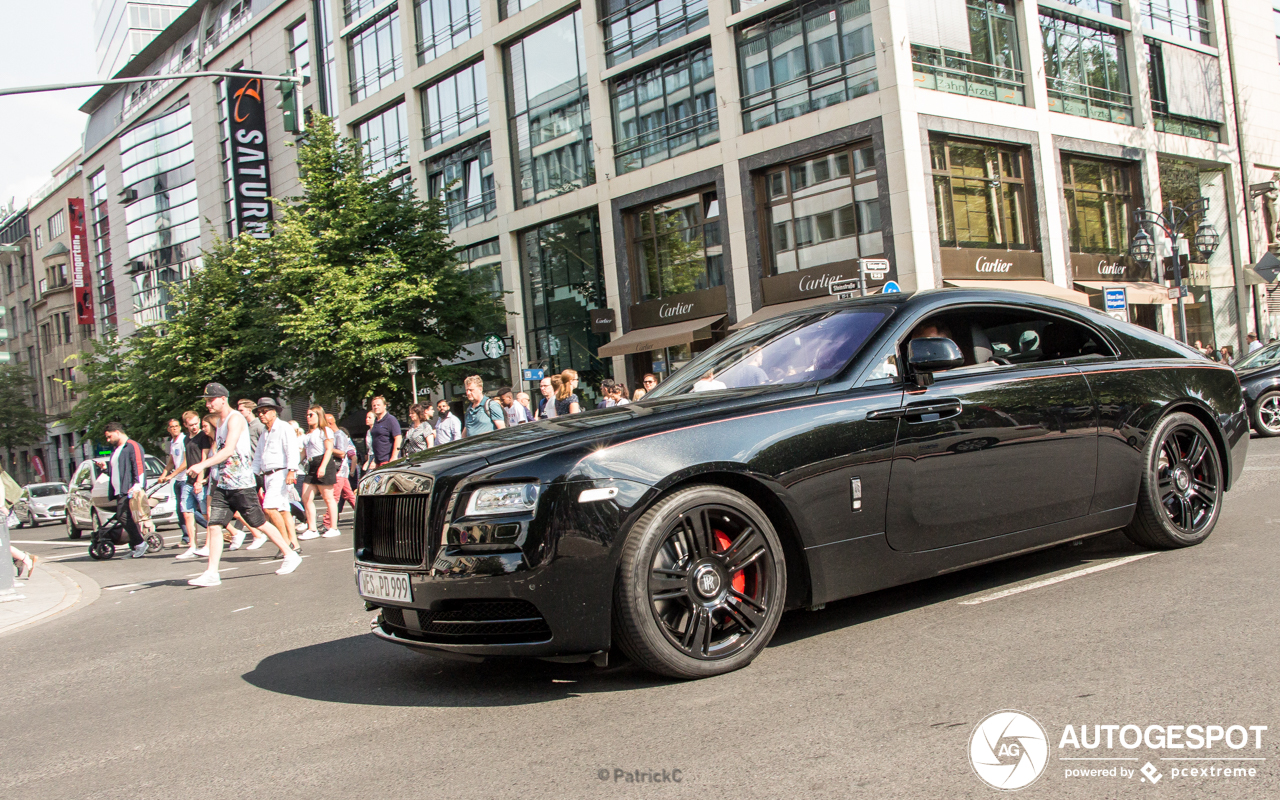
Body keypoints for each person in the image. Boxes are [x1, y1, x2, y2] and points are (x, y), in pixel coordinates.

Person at [186, 383, 300, 586]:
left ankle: (290, 554)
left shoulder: (235, 419)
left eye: (211, 399)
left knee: (260, 522)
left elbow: (228, 450)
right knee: (214, 525)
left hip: (240, 483)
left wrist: (201, 465)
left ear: (223, 398)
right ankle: (212, 572)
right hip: (224, 483)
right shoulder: (220, 423)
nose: (208, 404)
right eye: (206, 400)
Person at [248, 397, 300, 556]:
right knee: (283, 510)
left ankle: (285, 543)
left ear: (274, 412)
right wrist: (252, 474)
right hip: (268, 475)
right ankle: (295, 544)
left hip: (281, 472)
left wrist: (292, 470)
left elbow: (292, 449)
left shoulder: (284, 427)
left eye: (264, 411)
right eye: (259, 412)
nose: (261, 415)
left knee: (269, 508)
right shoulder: (265, 432)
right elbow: (258, 456)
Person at [102, 421, 149, 558]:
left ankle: (140, 543)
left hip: (128, 489)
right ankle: (135, 546)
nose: (108, 440)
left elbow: (138, 465)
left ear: (117, 432)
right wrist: (105, 468)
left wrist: (137, 485)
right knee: (125, 518)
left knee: (123, 516)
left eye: (109, 436)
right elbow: (117, 470)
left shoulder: (132, 446)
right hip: (120, 490)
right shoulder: (117, 450)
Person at [299, 404, 341, 540]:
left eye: (311, 415)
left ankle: (333, 527)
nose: (308, 417)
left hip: (323, 462)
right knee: (306, 497)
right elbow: (304, 453)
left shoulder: (325, 430)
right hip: (311, 464)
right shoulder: (308, 434)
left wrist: (322, 467)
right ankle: (312, 528)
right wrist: (294, 466)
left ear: (319, 416)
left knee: (328, 497)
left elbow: (329, 449)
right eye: (307, 415)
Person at [157, 418, 195, 546]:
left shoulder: (184, 440)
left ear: (180, 427)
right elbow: (171, 461)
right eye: (171, 427)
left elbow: (185, 462)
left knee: (187, 509)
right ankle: (186, 537)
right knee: (181, 511)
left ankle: (210, 528)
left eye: (176, 426)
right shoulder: (173, 443)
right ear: (168, 429)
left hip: (185, 479)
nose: (174, 428)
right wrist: (163, 475)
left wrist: (171, 475)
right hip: (178, 481)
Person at [325, 413, 358, 527]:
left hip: (339, 469)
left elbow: (342, 452)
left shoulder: (339, 435)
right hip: (341, 470)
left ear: (330, 423)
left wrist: (328, 448)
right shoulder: (335, 435)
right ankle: (362, 515)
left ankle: (327, 523)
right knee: (349, 495)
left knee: (333, 496)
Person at [368, 396, 402, 466]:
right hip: (378, 461)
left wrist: (394, 457)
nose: (376, 407)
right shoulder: (376, 421)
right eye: (374, 405)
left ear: (385, 406)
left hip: (388, 460)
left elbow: (398, 437)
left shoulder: (390, 419)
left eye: (378, 405)